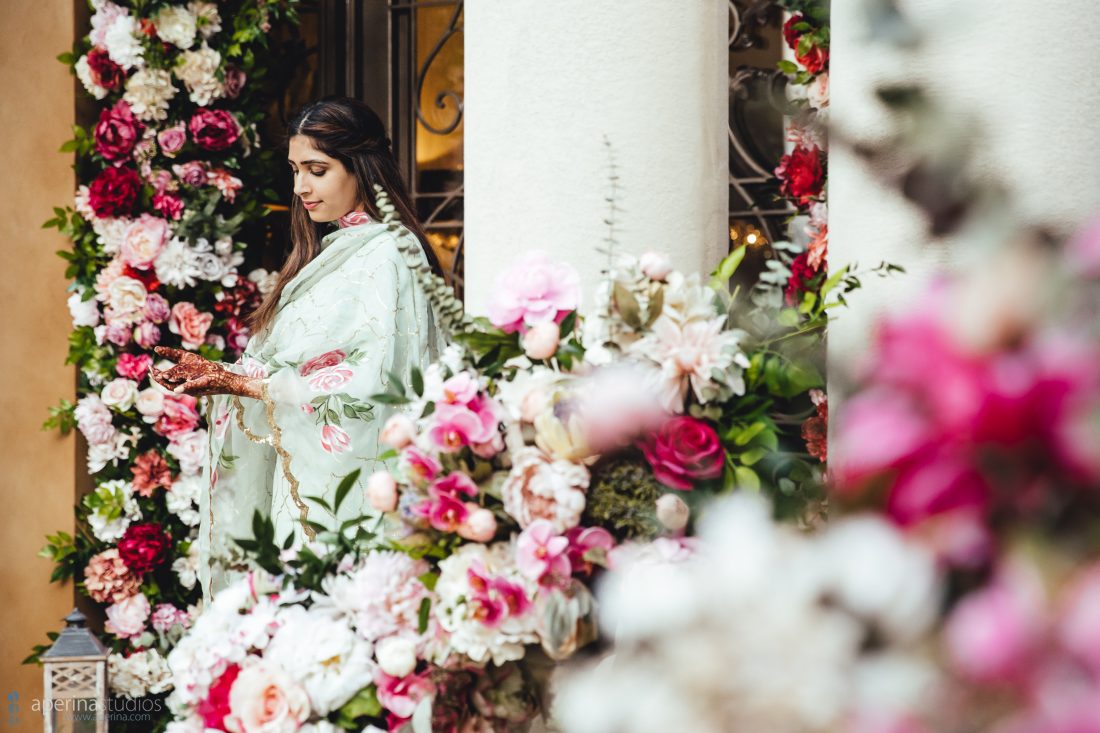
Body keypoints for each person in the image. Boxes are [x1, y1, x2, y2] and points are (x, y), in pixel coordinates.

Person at [151, 96, 447, 600]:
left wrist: (243, 383)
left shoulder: (389, 254)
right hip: (298, 485)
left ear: (361, 168)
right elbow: (302, 367)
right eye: (295, 170)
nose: (301, 188)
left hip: (344, 494)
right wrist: (221, 374)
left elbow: (373, 384)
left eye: (317, 170)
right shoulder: (332, 252)